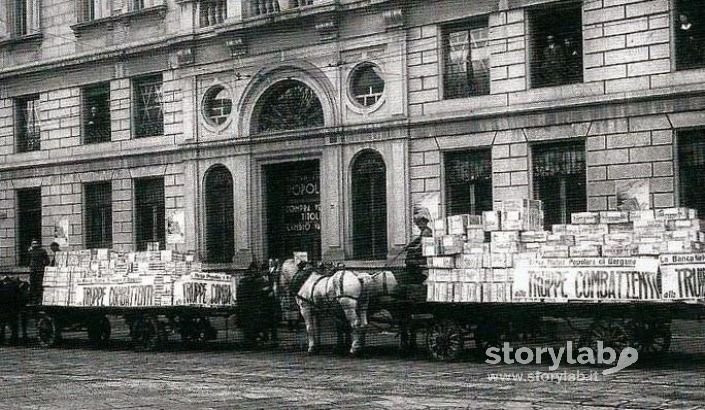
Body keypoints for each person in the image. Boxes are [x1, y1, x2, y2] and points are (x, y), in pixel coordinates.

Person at [404, 213, 433, 285]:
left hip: (424, 254)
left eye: (420, 224)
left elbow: (420, 246)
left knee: (410, 262)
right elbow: (418, 240)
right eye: (417, 224)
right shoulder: (423, 231)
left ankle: (418, 278)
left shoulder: (426, 232)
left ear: (424, 222)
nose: (419, 226)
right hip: (421, 253)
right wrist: (409, 245)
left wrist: (411, 248)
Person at [27, 239, 49, 305]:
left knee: (33, 285)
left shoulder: (30, 251)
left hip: (33, 270)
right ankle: (40, 300)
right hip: (40, 270)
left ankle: (32, 300)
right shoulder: (43, 251)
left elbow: (27, 261)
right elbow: (47, 261)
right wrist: (43, 265)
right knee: (39, 285)